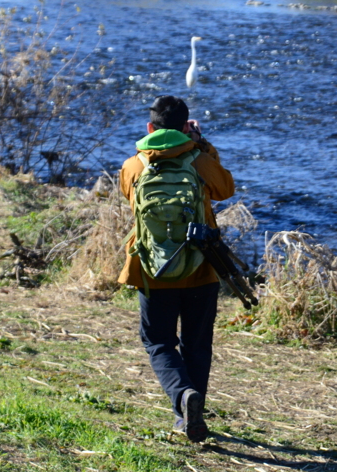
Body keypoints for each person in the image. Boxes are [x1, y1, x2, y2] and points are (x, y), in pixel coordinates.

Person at [117, 95, 234, 443]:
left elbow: (128, 196)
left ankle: (183, 402)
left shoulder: (133, 165)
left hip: (154, 271)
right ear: (186, 127)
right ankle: (188, 414)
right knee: (197, 345)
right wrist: (203, 146)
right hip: (201, 267)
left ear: (150, 127)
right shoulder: (199, 160)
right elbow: (225, 190)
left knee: (158, 341)